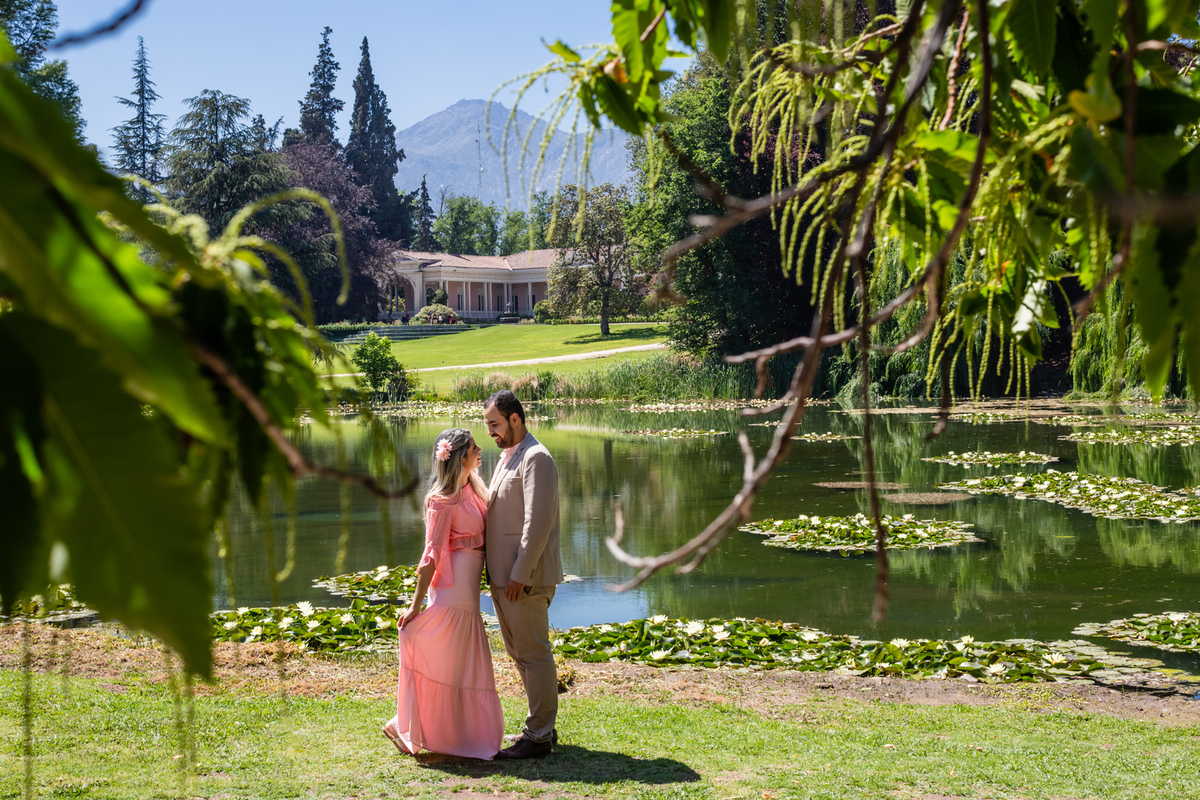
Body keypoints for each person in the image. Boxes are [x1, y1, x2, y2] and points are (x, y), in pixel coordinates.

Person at [382, 429, 503, 760]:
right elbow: (430, 557)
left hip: (468, 598)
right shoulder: (440, 501)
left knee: (459, 666)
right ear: (461, 456)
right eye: (475, 447)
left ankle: (453, 734)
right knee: (447, 662)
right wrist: (414, 606)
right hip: (451, 595)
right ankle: (405, 725)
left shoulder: (475, 488)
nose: (481, 450)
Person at [482, 390, 563, 759]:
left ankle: (539, 737)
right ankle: (541, 727)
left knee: (533, 653)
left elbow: (538, 523)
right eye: (488, 426)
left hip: (524, 579)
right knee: (520, 653)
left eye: (495, 424)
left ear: (515, 419)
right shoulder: (506, 457)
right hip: (504, 579)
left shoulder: (537, 457)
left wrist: (519, 575)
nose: (491, 432)